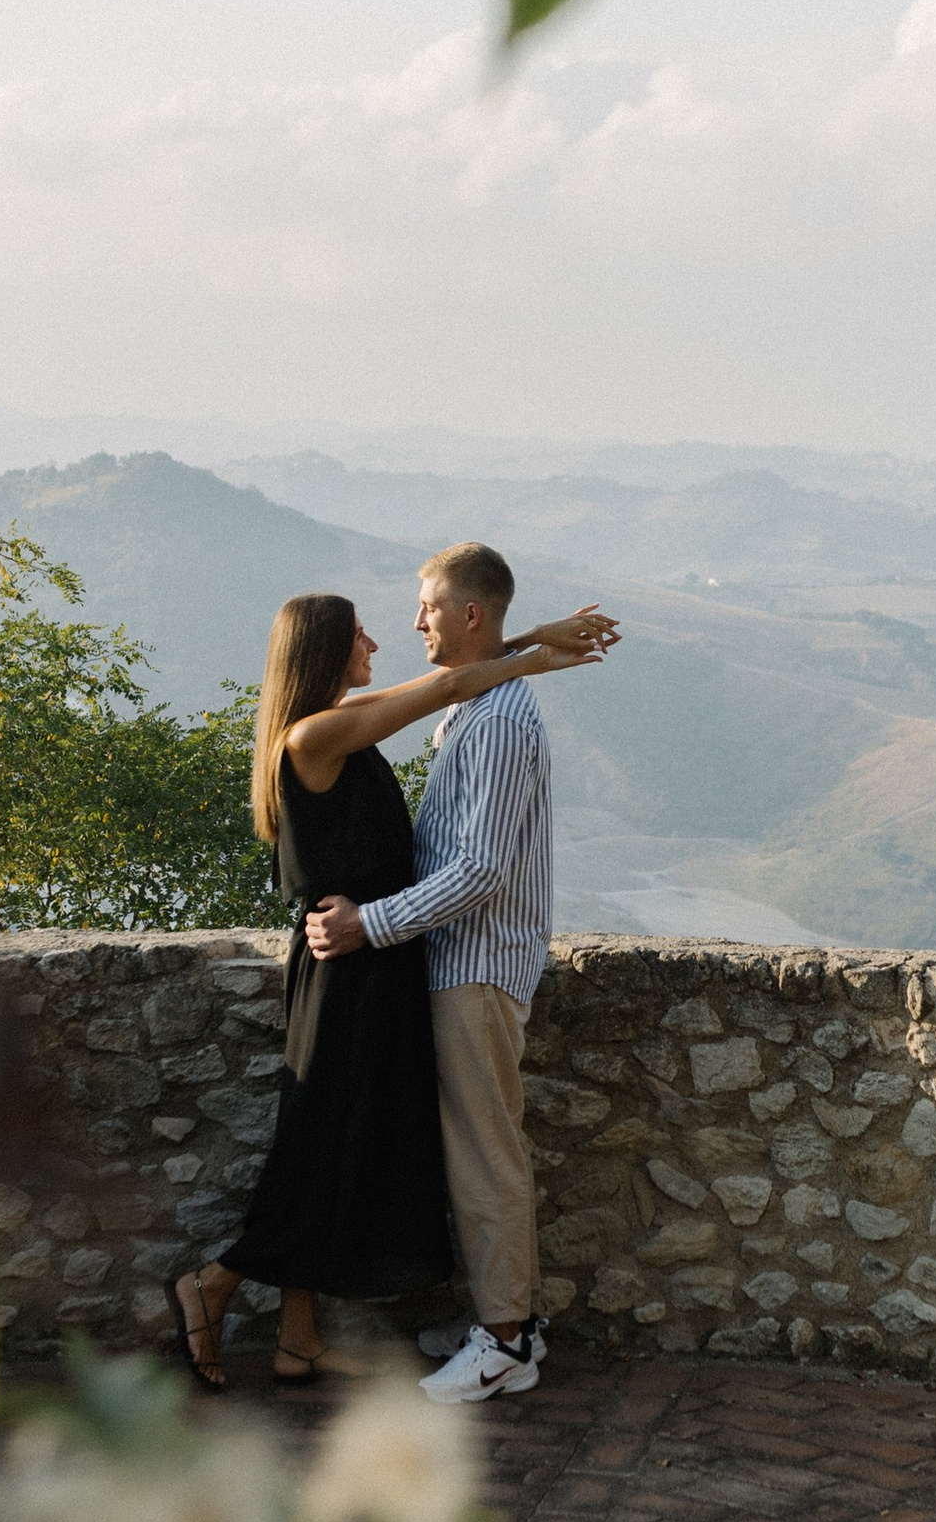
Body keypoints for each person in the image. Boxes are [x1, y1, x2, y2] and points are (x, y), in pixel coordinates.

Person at [164, 583, 613, 1391]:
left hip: (371, 959)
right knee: (318, 1148)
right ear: (326, 652)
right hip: (350, 969)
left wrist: (532, 635)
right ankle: (214, 1283)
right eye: (361, 637)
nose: (379, 646)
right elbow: (442, 687)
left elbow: (447, 680)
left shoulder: (330, 722)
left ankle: (295, 1339)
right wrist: (544, 658)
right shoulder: (316, 733)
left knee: (334, 1146)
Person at [302, 541, 585, 1407]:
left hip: (477, 966)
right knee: (477, 1151)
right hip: (460, 963)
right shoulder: (480, 702)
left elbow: (479, 873)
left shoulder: (497, 721)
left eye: (427, 606)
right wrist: (530, 641)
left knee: (486, 1157)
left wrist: (366, 926)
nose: (415, 621)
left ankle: (504, 1343)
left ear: (469, 615)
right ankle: (506, 1321)